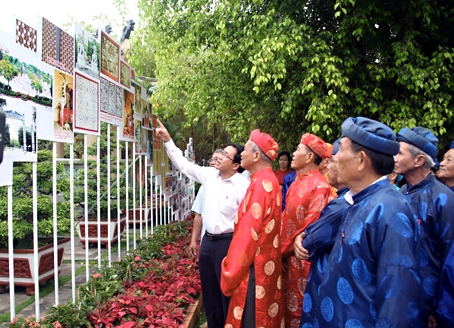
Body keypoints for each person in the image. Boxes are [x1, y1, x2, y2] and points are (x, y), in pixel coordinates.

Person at [300, 117, 421, 327]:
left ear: (361, 160)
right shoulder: (357, 201)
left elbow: (397, 303)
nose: (334, 158)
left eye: (341, 151)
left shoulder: (390, 210)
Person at [155, 119, 250, 328]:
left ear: (236, 165)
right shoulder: (209, 176)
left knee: (227, 292)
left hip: (228, 244)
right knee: (209, 292)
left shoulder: (243, 186)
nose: (219, 156)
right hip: (208, 244)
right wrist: (169, 141)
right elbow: (184, 165)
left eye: (225, 155)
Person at [221, 129, 283, 328]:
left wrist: (229, 269)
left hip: (253, 270)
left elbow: (247, 236)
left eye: (245, 149)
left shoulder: (259, 187)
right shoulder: (268, 181)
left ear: (256, 156)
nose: (242, 154)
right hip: (266, 266)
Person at [394, 127, 454, 324]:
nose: (393, 157)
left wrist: (438, 309)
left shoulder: (443, 199)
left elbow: (448, 259)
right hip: (397, 295)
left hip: (427, 304)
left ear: (419, 160)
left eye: (399, 153)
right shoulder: (400, 192)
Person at [280, 133, 332, 328]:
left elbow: (309, 226)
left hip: (302, 259)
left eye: (298, 150)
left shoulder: (320, 186)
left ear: (310, 157)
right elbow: (286, 218)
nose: (293, 154)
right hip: (287, 258)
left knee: (302, 311)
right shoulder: (296, 181)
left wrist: (281, 252)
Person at [189, 149, 223, 255]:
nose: (213, 162)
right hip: (207, 242)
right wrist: (194, 240)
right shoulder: (204, 186)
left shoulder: (238, 185)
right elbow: (199, 214)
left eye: (217, 159)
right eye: (212, 159)